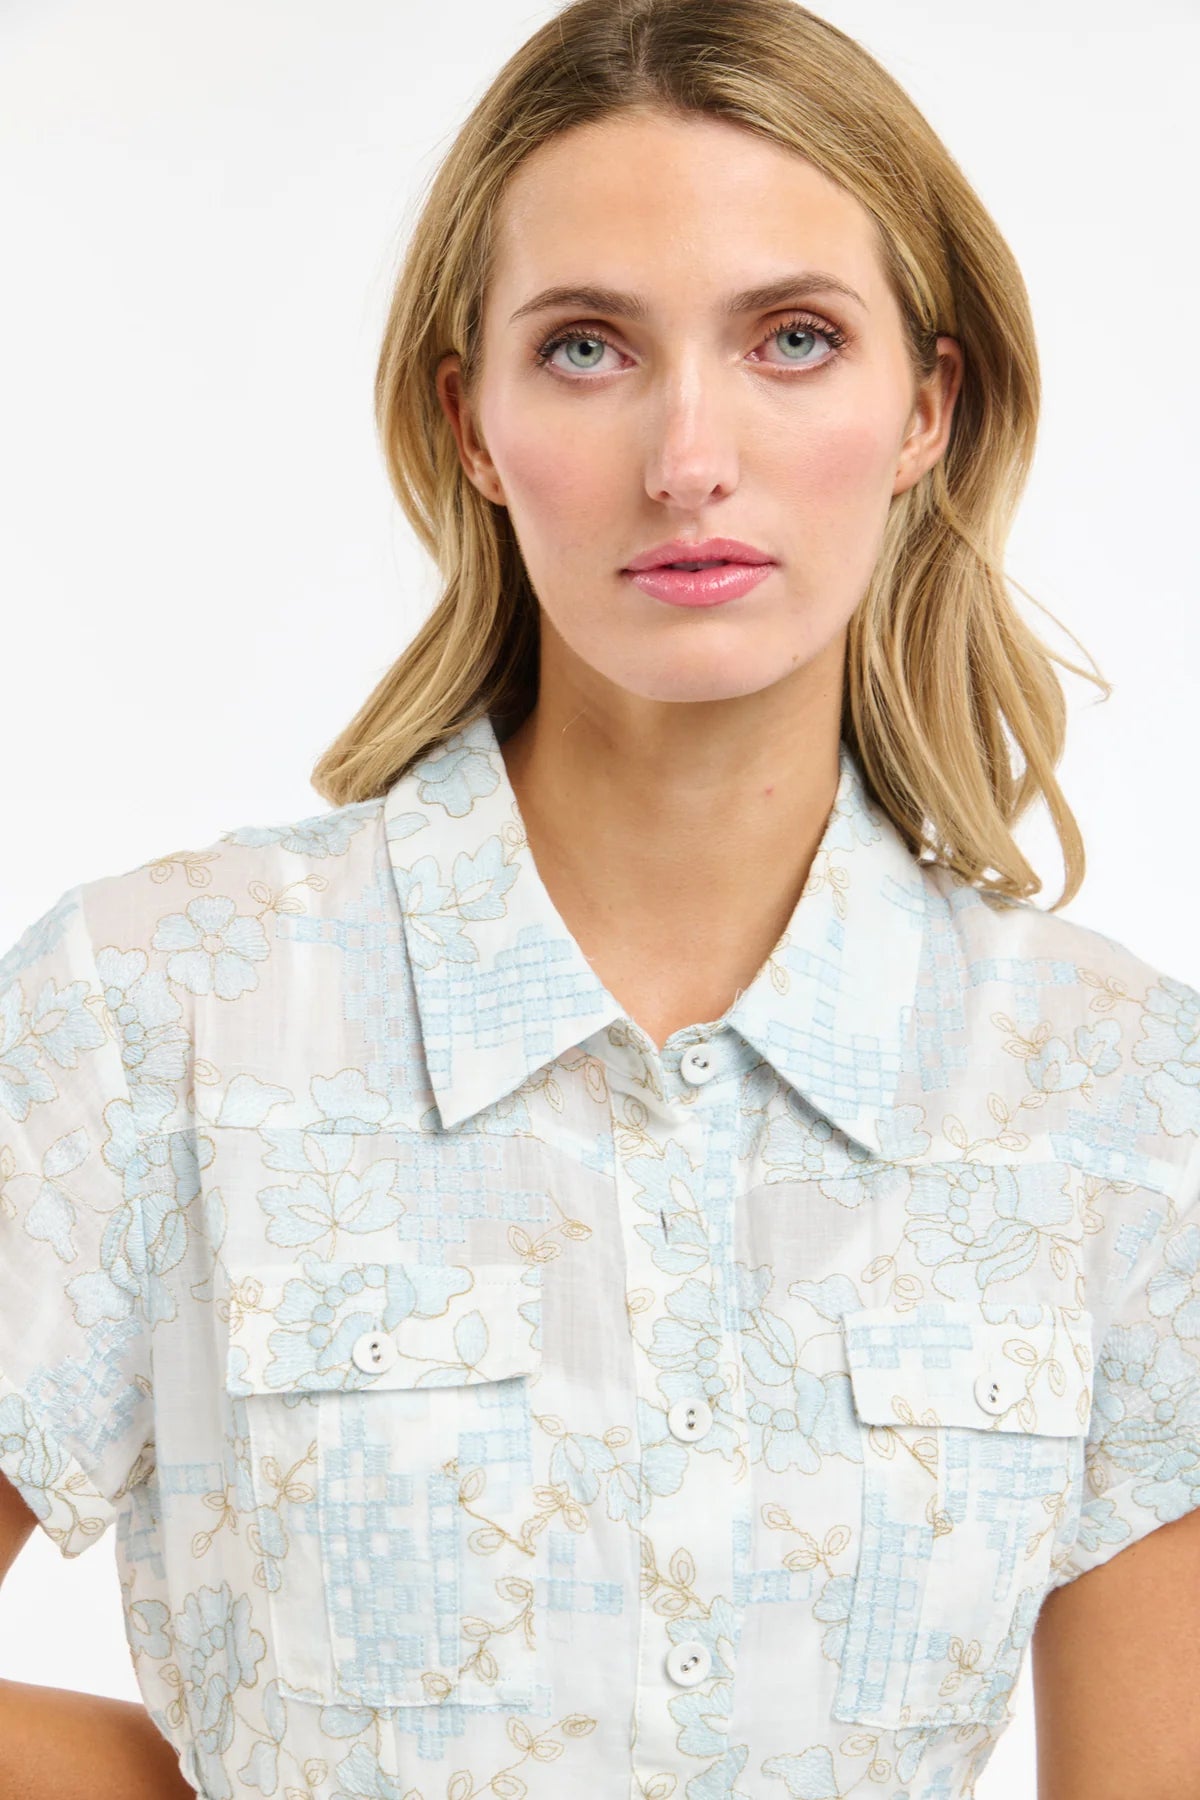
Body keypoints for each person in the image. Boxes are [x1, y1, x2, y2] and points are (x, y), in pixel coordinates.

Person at [1, 1, 1197, 1795]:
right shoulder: (154, 1014)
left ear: (927, 408)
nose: (688, 455)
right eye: (585, 349)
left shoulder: (1123, 1102)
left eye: (794, 339)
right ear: (469, 422)